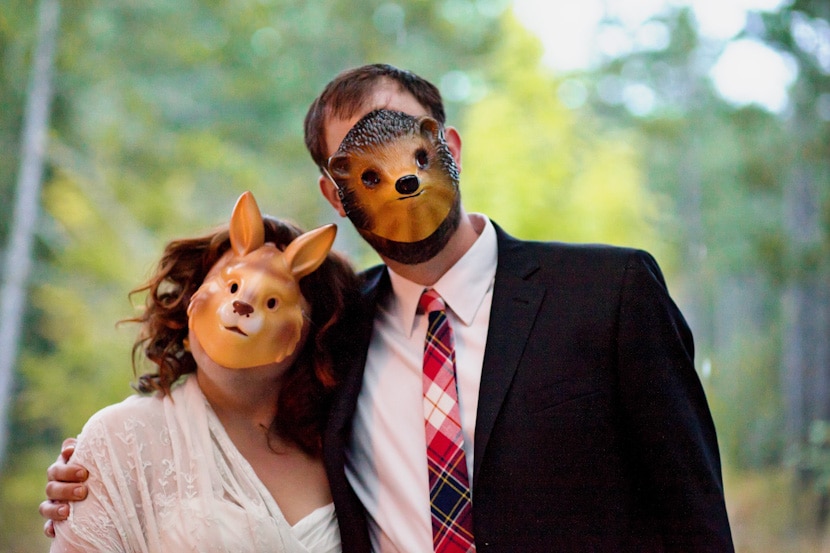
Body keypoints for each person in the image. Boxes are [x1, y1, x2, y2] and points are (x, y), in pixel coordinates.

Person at [42, 64, 734, 551]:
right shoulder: (336, 332)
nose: (396, 177)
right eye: (359, 167)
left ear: (449, 145)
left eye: (406, 139)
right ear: (333, 196)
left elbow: (694, 513)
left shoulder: (609, 293)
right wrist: (100, 466)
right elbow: (229, 416)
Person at [44, 197, 363, 552]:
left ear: (311, 334)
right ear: (190, 301)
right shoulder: (118, 437)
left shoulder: (349, 451)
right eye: (231, 287)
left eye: (273, 302)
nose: (242, 305)